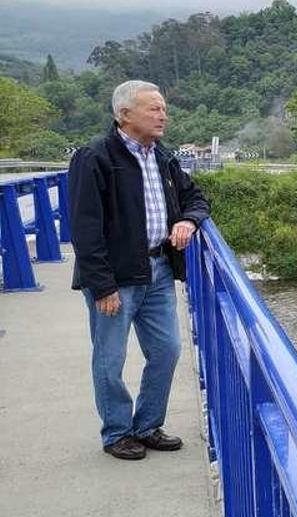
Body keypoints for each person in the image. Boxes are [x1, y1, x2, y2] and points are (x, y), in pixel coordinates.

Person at [68, 80, 210, 460]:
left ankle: (147, 425)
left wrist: (189, 222)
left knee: (167, 350)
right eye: (153, 108)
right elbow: (84, 228)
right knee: (110, 359)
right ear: (124, 114)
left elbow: (195, 196)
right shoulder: (95, 157)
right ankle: (117, 432)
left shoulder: (162, 156)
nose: (162, 115)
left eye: (163, 108)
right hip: (115, 277)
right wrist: (101, 286)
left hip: (159, 270)